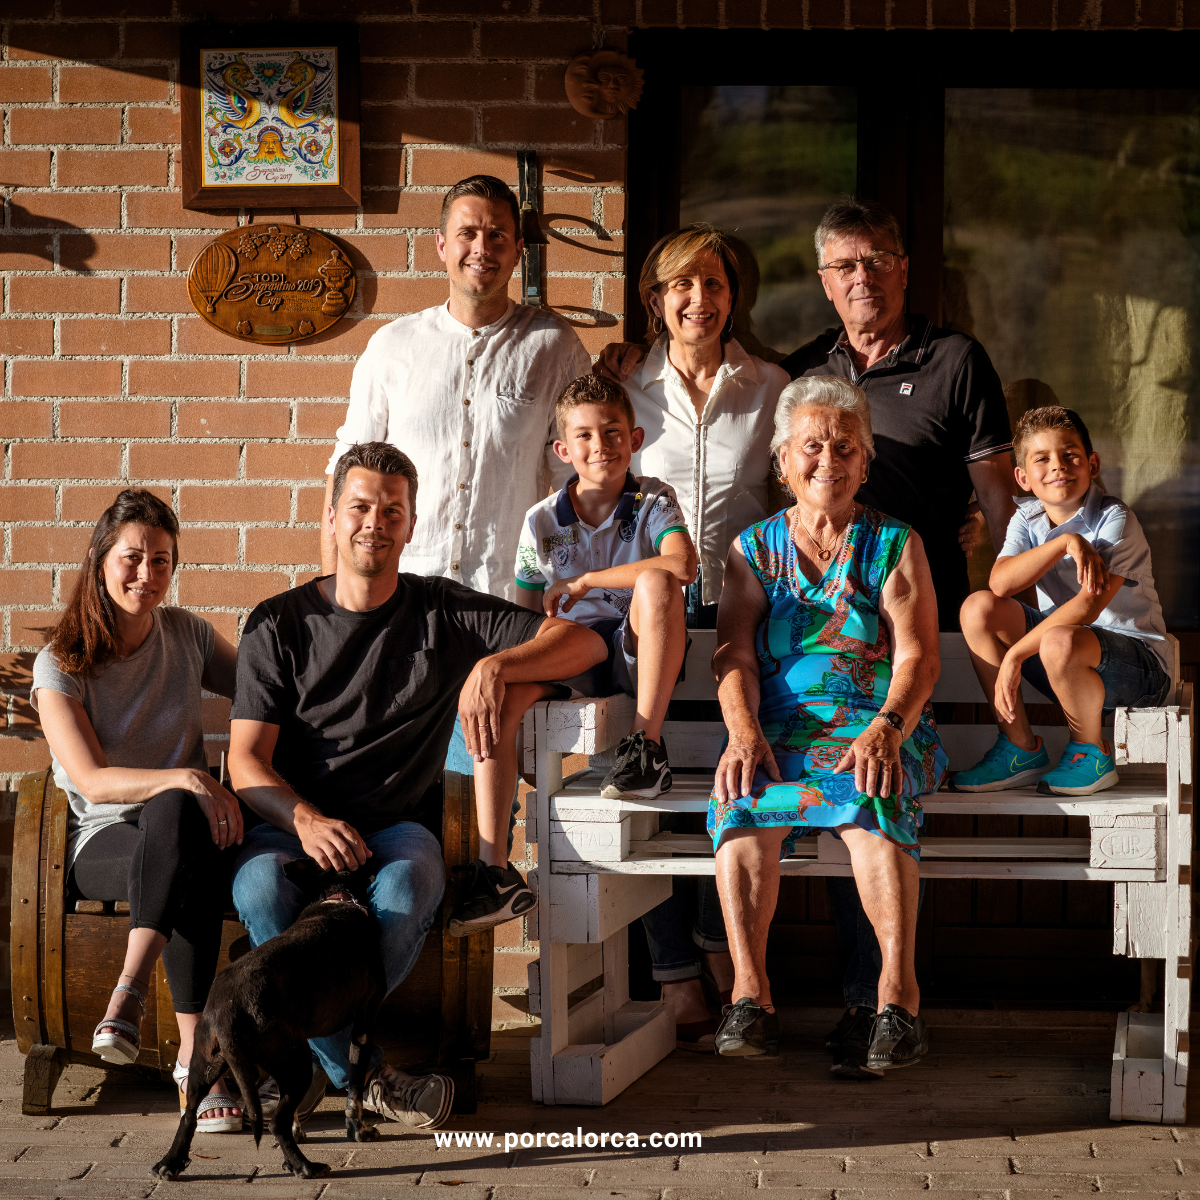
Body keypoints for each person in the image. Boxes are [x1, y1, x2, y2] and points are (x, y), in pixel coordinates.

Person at [227, 442, 604, 1129]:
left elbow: (586, 646)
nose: (376, 521)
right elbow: (247, 762)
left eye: (392, 510)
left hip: (395, 830)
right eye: (361, 506)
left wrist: (496, 668)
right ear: (333, 517)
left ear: (411, 524)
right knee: (257, 889)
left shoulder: (441, 611)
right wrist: (306, 820)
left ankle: (308, 1065)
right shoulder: (277, 624)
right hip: (289, 825)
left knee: (413, 886)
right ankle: (364, 1077)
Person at [323, 173, 591, 848]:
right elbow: (345, 485)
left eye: (498, 234)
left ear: (516, 252)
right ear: (440, 245)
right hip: (398, 606)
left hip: (502, 604)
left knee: (468, 783)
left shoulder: (553, 347)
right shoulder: (394, 348)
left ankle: (484, 883)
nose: (482, 247)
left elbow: (574, 489)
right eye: (468, 232)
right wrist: (338, 609)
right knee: (390, 782)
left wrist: (557, 597)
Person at [709, 376, 947, 1074]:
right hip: (780, 735)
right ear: (782, 460)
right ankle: (750, 998)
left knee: (873, 792)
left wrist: (886, 728)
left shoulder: (895, 544)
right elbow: (733, 655)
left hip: (883, 729)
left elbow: (919, 658)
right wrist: (744, 733)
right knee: (741, 798)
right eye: (811, 445)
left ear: (865, 463)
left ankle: (897, 1001)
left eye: (845, 447)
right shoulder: (752, 550)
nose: (828, 461)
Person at [600, 223, 791, 1050]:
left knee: (729, 791)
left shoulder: (772, 385)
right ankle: (679, 980)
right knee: (658, 802)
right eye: (681, 285)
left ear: (733, 297)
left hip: (744, 622)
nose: (699, 300)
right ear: (655, 300)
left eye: (713, 284)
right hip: (652, 623)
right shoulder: (623, 389)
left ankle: (721, 961)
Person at [31, 489, 244, 1134]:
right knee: (181, 819)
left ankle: (132, 1009)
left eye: (161, 561)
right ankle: (195, 1057)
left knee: (181, 825)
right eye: (132, 558)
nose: (146, 575)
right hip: (102, 842)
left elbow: (264, 693)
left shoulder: (186, 636)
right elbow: (92, 781)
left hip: (179, 826)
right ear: (101, 560)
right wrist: (187, 776)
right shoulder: (60, 663)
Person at [955, 406, 1172, 795]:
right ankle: (1020, 748)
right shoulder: (1028, 518)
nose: (1058, 466)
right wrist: (1065, 543)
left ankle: (1091, 753)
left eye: (1070, 455)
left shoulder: (1115, 519)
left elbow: (1088, 608)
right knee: (979, 608)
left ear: (1092, 464)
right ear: (1022, 478)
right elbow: (1000, 583)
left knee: (1061, 637)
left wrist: (1015, 656)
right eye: (1042, 459)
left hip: (1139, 670)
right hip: (1063, 661)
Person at [510, 373, 696, 808]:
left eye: (613, 432)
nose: (601, 445)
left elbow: (683, 565)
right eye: (584, 435)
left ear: (634, 438)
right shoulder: (540, 520)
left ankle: (648, 751)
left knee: (656, 580)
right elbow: (524, 615)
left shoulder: (653, 499)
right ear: (563, 450)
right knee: (514, 672)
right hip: (577, 654)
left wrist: (587, 580)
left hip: (642, 650)